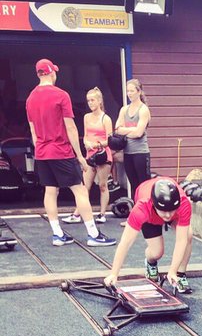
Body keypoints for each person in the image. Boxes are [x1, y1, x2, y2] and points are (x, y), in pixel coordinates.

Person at [25, 59, 115, 248]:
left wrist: (40, 150)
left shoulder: (30, 99)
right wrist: (81, 157)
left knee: (50, 191)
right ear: (51, 73)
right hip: (61, 151)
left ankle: (58, 234)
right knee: (80, 190)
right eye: (55, 71)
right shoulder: (61, 95)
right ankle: (93, 234)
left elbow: (33, 132)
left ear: (38, 74)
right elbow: (71, 128)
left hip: (42, 153)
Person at [103, 176, 193, 290]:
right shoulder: (141, 209)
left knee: (188, 234)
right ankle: (150, 263)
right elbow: (125, 243)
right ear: (154, 205)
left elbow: (181, 240)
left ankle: (180, 275)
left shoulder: (184, 204)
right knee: (157, 252)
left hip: (173, 209)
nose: (168, 215)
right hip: (150, 213)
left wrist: (173, 271)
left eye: (171, 211)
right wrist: (114, 273)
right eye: (164, 212)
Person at [67, 87, 114, 224]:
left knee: (102, 185)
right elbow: (86, 135)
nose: (90, 103)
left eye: (93, 100)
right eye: (88, 101)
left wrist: (97, 145)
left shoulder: (106, 119)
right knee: (84, 186)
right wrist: (87, 143)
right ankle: (77, 214)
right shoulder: (86, 117)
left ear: (99, 101)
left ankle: (102, 213)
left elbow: (110, 140)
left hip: (103, 155)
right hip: (90, 155)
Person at [113, 79, 152, 195]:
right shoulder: (124, 109)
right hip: (128, 153)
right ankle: (138, 211)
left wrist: (125, 130)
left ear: (139, 92)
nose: (129, 94)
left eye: (132, 91)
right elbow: (117, 130)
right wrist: (132, 130)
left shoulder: (143, 110)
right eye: (127, 91)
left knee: (144, 186)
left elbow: (139, 133)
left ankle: (148, 211)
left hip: (140, 152)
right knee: (134, 186)